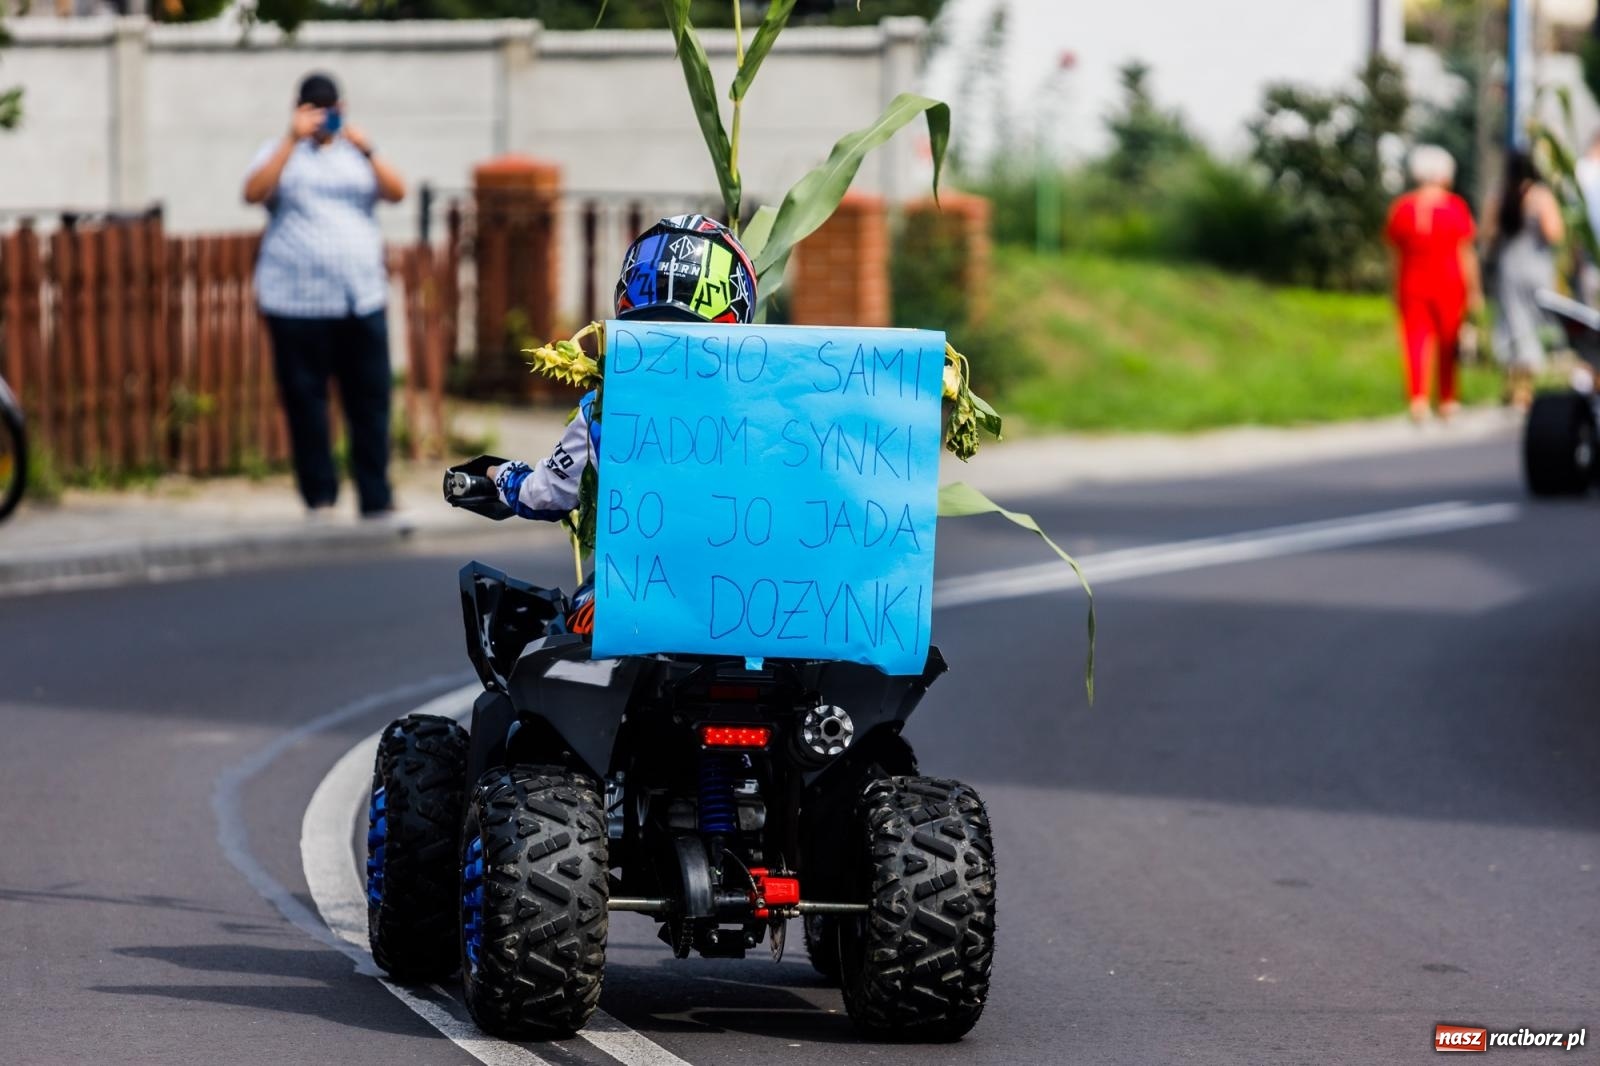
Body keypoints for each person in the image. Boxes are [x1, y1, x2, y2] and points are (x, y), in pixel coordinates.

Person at [486, 214, 757, 628]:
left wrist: (499, 476)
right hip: (757, 604)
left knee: (555, 637)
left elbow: (545, 494)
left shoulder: (604, 408)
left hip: (635, 600)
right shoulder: (771, 409)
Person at [243, 72, 407, 517]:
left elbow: (397, 191)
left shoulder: (359, 153)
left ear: (343, 107)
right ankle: (319, 497)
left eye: (330, 108)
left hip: (359, 298)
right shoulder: (280, 153)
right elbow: (253, 192)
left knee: (370, 401)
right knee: (306, 404)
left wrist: (367, 147)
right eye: (313, 108)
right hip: (294, 302)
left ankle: (376, 498)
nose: (323, 116)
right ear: (298, 109)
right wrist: (288, 141)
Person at [1384, 144, 1483, 424]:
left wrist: (1393, 286)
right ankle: (1448, 400)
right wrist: (1475, 290)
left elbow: (1393, 255)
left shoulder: (1401, 207)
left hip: (1411, 281)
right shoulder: (1455, 207)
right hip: (1450, 282)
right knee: (1448, 342)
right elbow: (1466, 253)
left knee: (1414, 341)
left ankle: (1418, 400)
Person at [1491, 150, 1565, 410]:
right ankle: (1526, 386)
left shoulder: (1501, 195)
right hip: (1536, 262)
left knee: (1512, 321)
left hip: (1509, 264)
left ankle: (1513, 382)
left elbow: (1489, 234)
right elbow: (1554, 232)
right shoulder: (1540, 195)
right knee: (1534, 322)